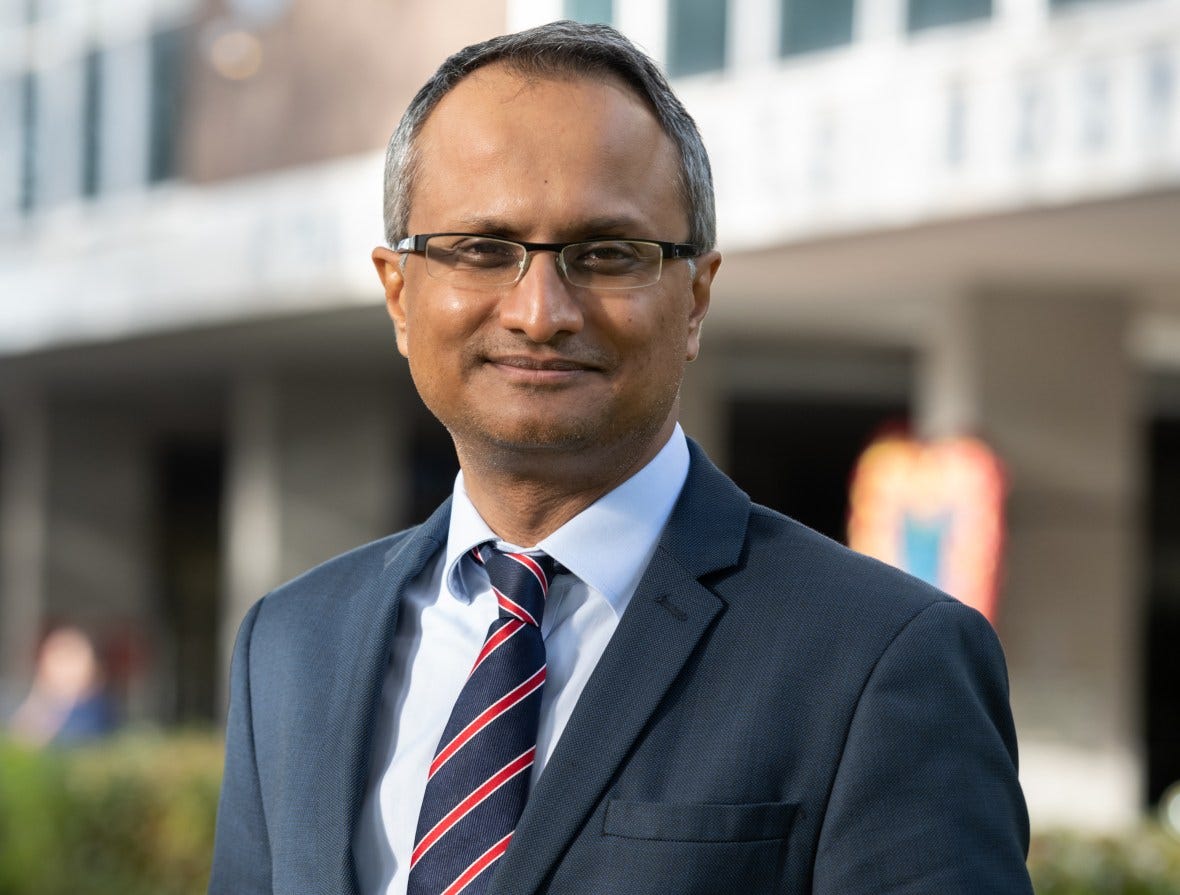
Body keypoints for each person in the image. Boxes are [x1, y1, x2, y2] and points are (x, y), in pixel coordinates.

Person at [209, 21, 1032, 895]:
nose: (539, 311)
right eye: (484, 249)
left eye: (605, 253)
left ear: (696, 298)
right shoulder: (291, 644)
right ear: (399, 292)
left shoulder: (882, 658)